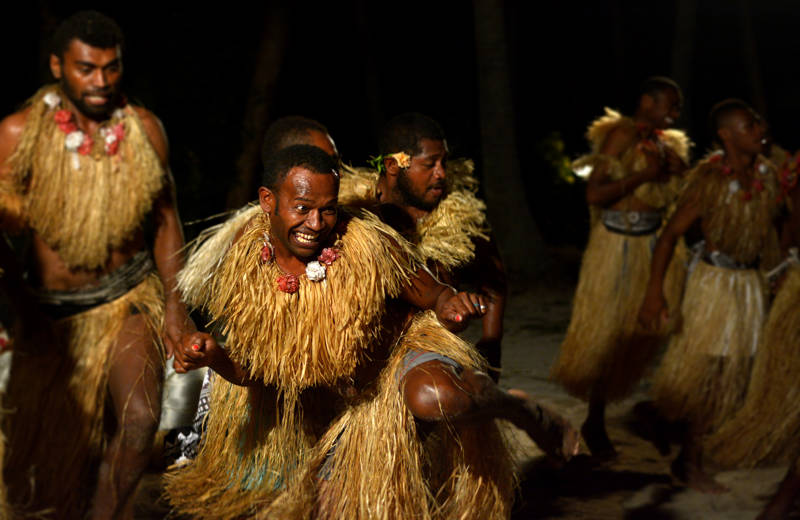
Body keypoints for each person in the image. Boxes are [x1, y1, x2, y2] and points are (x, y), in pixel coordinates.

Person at [166, 145, 579, 519]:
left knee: (433, 396)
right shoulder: (246, 267)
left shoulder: (364, 243)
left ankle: (518, 409)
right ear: (267, 201)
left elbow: (433, 293)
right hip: (348, 409)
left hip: (404, 357)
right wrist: (213, 356)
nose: (316, 223)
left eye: (328, 209)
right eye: (303, 208)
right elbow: (257, 373)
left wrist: (449, 304)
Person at [0, 11, 195, 518]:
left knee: (140, 419)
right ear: (57, 66)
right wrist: (17, 306)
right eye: (87, 68)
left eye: (111, 68)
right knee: (46, 475)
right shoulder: (19, 134)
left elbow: (166, 221)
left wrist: (176, 308)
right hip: (50, 317)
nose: (101, 81)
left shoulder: (143, 129)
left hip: (127, 298)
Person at [639, 99, 780, 492]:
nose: (760, 129)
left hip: (749, 284)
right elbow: (670, 235)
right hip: (715, 286)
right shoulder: (710, 180)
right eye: (750, 125)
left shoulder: (767, 175)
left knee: (737, 373)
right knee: (710, 375)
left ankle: (700, 450)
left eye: (758, 123)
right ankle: (690, 461)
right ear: (726, 135)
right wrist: (654, 294)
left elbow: (773, 229)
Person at [550, 77, 690, 456]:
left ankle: (651, 411)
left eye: (677, 107)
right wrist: (643, 175)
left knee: (650, 328)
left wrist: (677, 171)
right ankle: (595, 419)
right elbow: (594, 193)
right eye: (671, 105)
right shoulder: (622, 135)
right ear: (647, 102)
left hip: (651, 244)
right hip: (617, 246)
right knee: (608, 331)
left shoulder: (664, 142)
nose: (675, 114)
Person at [338, 113, 506, 379]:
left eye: (444, 162)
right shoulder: (353, 215)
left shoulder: (456, 216)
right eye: (430, 164)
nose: (441, 174)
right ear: (393, 165)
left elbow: (493, 278)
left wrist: (491, 343)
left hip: (429, 355)